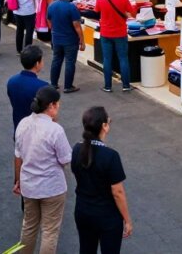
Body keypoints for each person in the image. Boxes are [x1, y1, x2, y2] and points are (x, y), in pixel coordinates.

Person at [14, 87, 71, 254]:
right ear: (52, 105)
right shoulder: (55, 130)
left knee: (29, 226)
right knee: (49, 231)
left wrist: (18, 180)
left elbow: (18, 156)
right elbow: (65, 158)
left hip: (29, 185)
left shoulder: (23, 123)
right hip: (52, 187)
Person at [71, 106, 132, 254]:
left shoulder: (77, 149)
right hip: (107, 215)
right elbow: (118, 192)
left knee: (86, 249)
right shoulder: (110, 156)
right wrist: (127, 219)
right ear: (104, 126)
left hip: (83, 210)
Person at [94, 0, 134, 92]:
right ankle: (126, 85)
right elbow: (131, 12)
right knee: (123, 58)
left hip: (105, 33)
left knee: (107, 59)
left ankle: (107, 86)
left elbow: (96, 11)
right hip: (120, 33)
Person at [46, 0, 85, 92]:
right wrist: (82, 40)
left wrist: (54, 30)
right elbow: (77, 26)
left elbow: (49, 21)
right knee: (70, 62)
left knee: (56, 60)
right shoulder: (72, 7)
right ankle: (68, 86)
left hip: (56, 38)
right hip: (70, 40)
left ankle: (53, 83)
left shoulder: (52, 6)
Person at [7, 45, 49, 131]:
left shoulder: (12, 81)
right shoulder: (43, 87)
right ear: (37, 64)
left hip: (19, 128)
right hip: (37, 131)